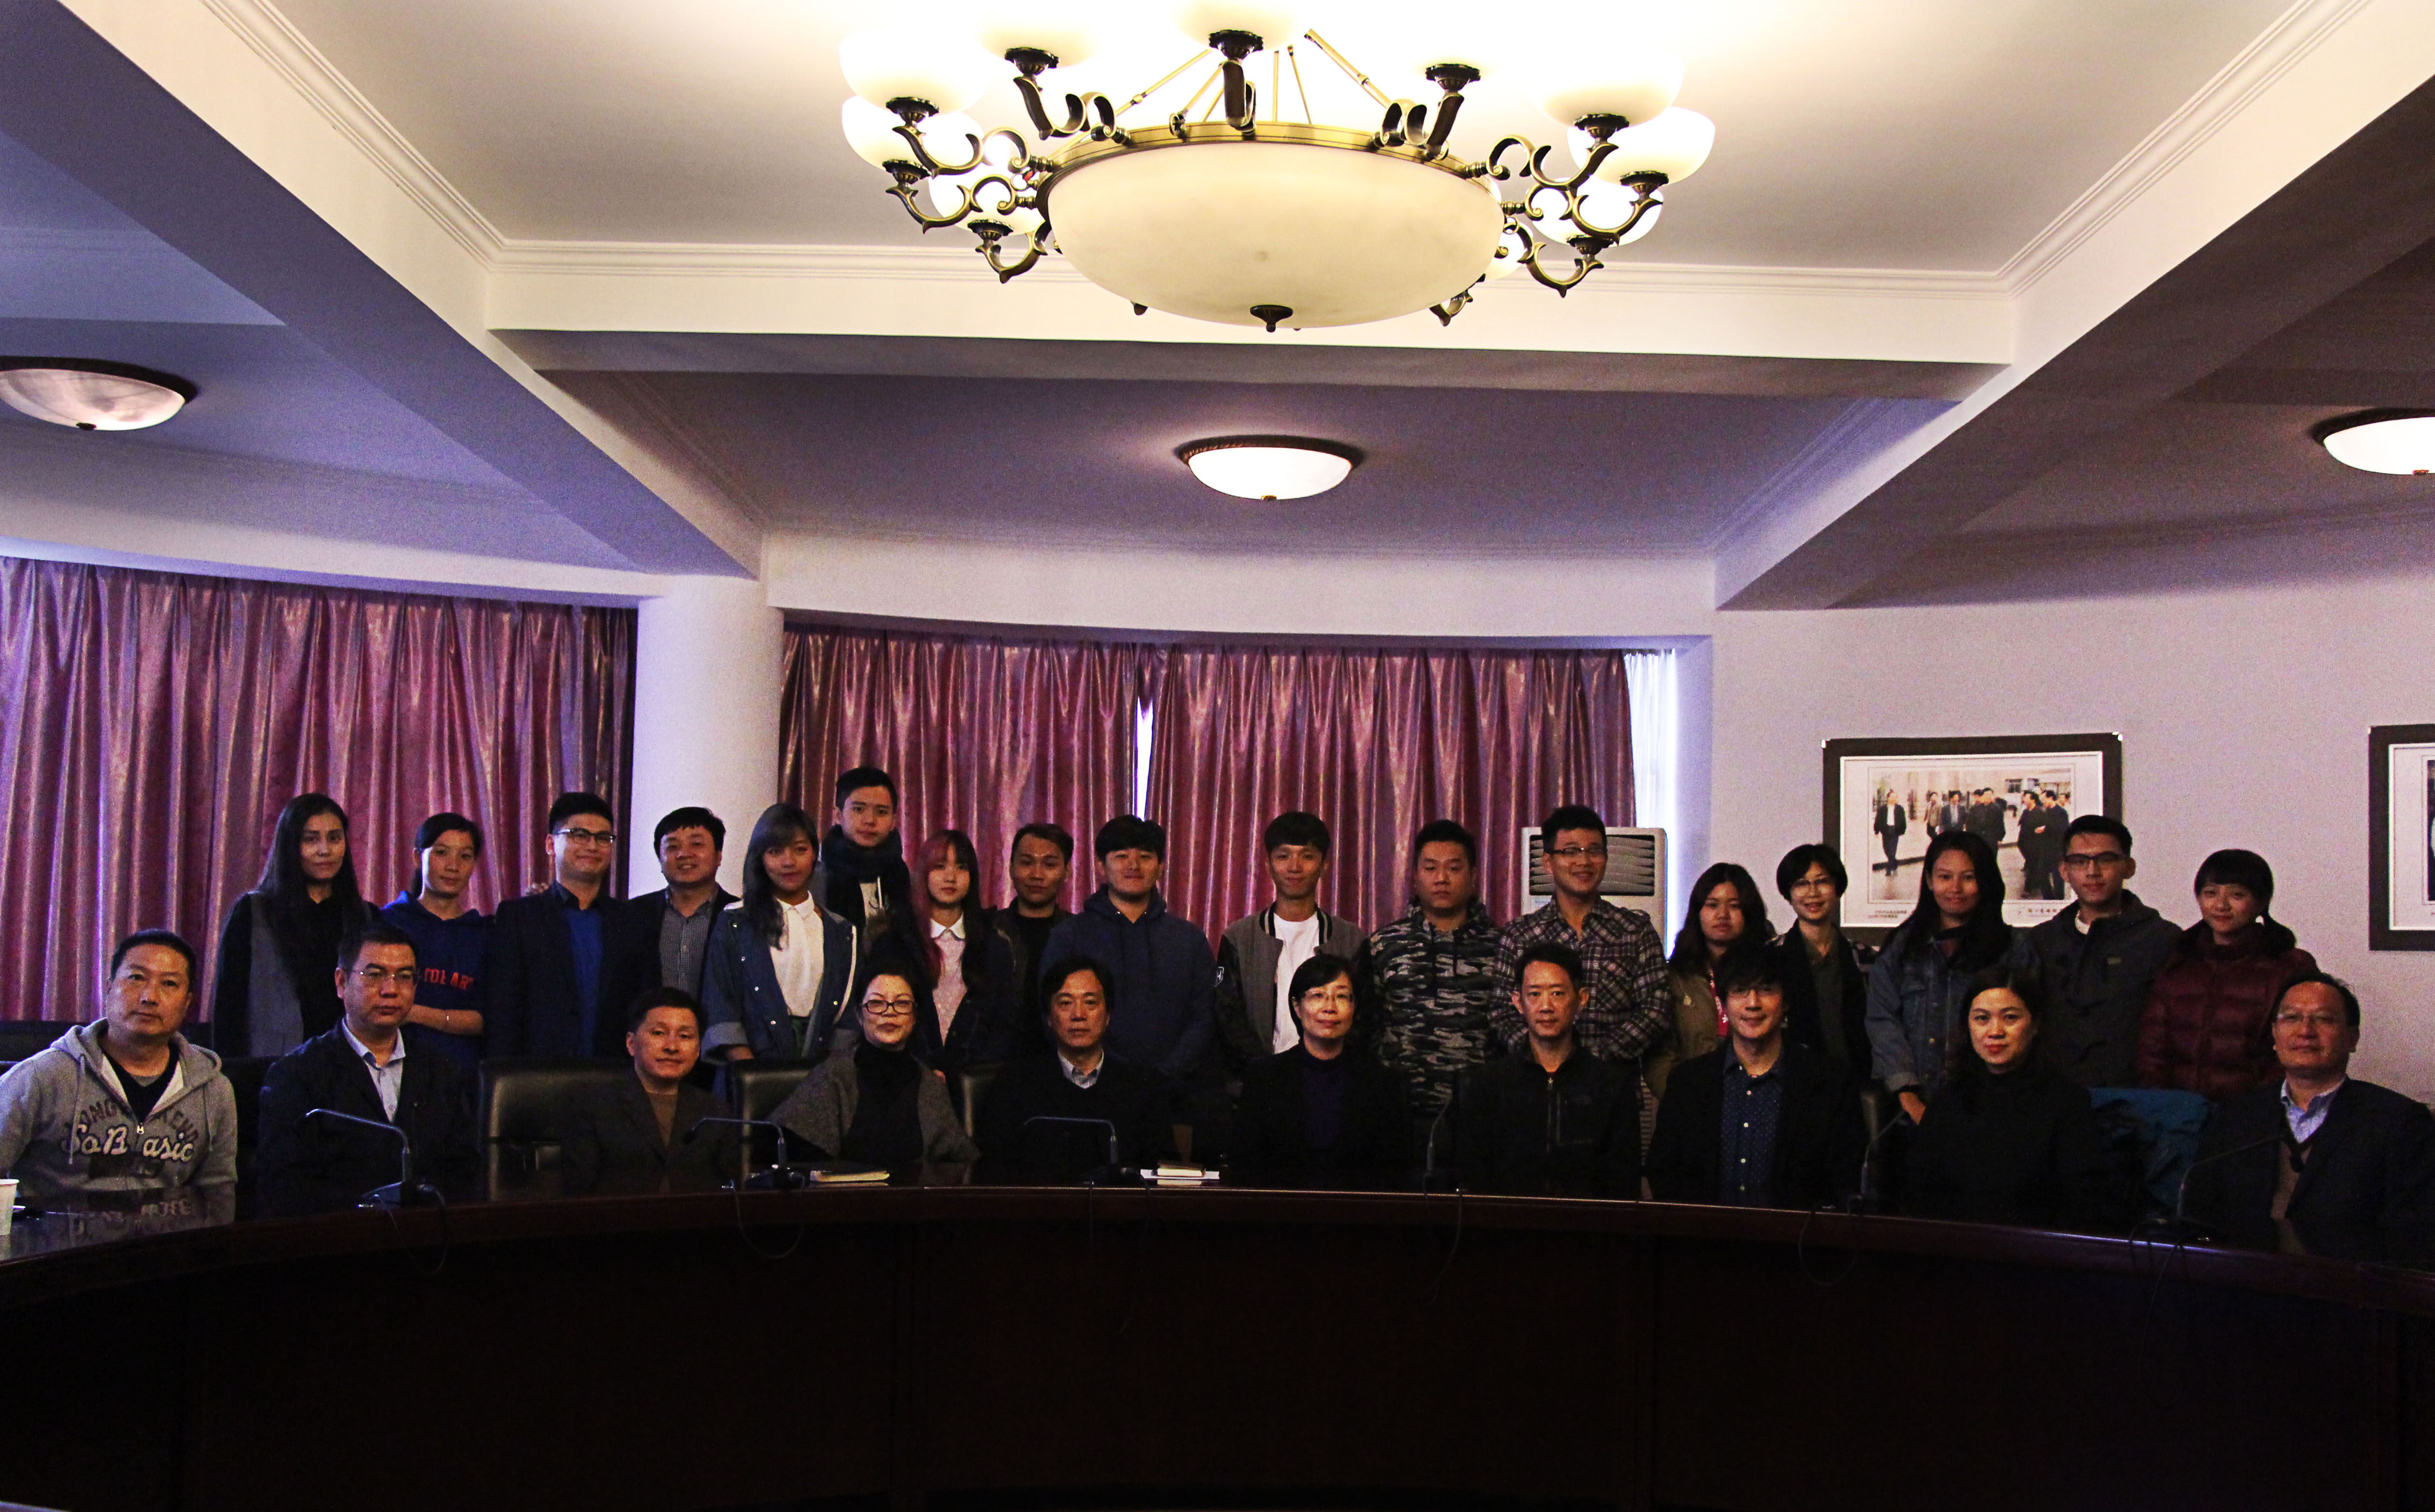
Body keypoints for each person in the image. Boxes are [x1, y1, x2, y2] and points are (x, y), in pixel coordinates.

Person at [2181, 974, 2435, 1242]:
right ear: (2275, 1034)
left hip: (2343, 1268)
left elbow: (2413, 1236)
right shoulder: (2238, 1115)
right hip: (2243, 1266)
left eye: (2324, 1019)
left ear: (2352, 1038)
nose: (2305, 1031)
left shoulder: (2400, 1122)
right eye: (2291, 1018)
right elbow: (2200, 1217)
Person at [0, 930, 237, 1209]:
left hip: (167, 1236)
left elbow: (217, 1199)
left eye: (169, 983)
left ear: (187, 1003)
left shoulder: (214, 1090)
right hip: (53, 1235)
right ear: (110, 988)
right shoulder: (41, 1077)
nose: (150, 996)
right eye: (136, 978)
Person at [256, 921, 480, 1215]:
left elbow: (465, 1173)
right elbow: (283, 1189)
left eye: (404, 977)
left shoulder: (442, 1072)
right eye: (375, 975)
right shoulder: (297, 1075)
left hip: (427, 1233)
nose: (390, 990)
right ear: (341, 983)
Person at [1645, 942, 1866, 1210]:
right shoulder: (1688, 1082)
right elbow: (1664, 1173)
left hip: (1796, 1235)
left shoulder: (1830, 1083)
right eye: (1740, 991)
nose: (1753, 1003)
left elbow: (1844, 1179)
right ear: (1724, 1003)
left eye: (1766, 990)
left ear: (1786, 1002)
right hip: (1705, 1233)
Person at [1491, 806, 1669, 1135]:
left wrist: (1592, 1059)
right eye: (1571, 851)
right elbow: (1502, 1012)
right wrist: (1544, 1058)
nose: (1584, 861)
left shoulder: (1635, 930)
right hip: (1535, 1093)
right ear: (1548, 862)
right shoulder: (1520, 935)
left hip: (1613, 1093)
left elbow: (1656, 1010)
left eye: (1594, 851)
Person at [1903, 967, 2118, 1230]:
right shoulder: (1948, 1100)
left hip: (2036, 1247)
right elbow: (1921, 1196)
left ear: (2035, 1024)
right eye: (1982, 1019)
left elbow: (2084, 1206)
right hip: (1957, 1246)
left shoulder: (2066, 1102)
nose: (1995, 1031)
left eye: (2010, 1018)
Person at [1865, 830, 2034, 1122]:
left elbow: (2026, 1027)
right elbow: (1882, 1020)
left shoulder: (2013, 948)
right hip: (1910, 1111)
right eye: (1945, 877)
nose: (1955, 888)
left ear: (1985, 882)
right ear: (1929, 881)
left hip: (1993, 1110)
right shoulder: (1902, 948)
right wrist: (1909, 1097)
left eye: (1968, 877)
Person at [1041, 815, 1217, 1092]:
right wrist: (1112, 1074)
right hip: (1091, 1087)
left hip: (1176, 1090)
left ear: (1160, 866)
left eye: (1145, 857)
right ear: (1101, 866)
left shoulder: (1189, 939)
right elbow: (1052, 1013)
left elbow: (1204, 1016)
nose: (1134, 865)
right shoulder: (1069, 936)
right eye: (1121, 856)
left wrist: (1165, 1075)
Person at [976, 956, 1183, 1182]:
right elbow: (992, 1170)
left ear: (1108, 1015)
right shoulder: (1015, 1085)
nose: (1079, 1015)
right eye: (1066, 1003)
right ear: (1049, 1017)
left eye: (1090, 1003)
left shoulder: (1143, 1087)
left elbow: (1164, 1172)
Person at [1456, 944, 1639, 1198]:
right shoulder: (1488, 1084)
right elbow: (1474, 1178)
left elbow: (1623, 1184)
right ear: (1518, 1002)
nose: (1546, 1006)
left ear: (1582, 999)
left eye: (1557, 993)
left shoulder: (1612, 1086)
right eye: (1534, 994)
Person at [480, 792, 655, 1059]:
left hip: (614, 1072)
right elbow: (503, 1009)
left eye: (603, 838)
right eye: (579, 835)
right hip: (536, 1073)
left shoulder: (634, 921)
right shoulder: (518, 917)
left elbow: (646, 1006)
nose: (592, 846)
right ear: (551, 844)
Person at [772, 962, 978, 1183]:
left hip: (913, 1202)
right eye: (877, 1003)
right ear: (859, 1016)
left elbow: (961, 1160)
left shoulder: (931, 1085)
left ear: (914, 1016)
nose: (890, 1012)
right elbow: (786, 1150)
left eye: (902, 1003)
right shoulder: (833, 1076)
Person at [2138, 849, 2318, 1101]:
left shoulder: (2288, 967)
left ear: (2262, 901)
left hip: (2255, 1112)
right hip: (2178, 1112)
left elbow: (2295, 1050)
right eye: (2210, 893)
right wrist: (2164, 1107)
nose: (2221, 905)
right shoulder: (2179, 962)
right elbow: (2152, 1050)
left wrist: (2259, 1107)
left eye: (2237, 895)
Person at [1362, 819, 1504, 1137]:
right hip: (1397, 1113)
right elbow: (1365, 1027)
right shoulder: (1384, 945)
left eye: (1454, 868)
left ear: (1473, 876)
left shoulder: (1502, 946)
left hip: (1480, 1113)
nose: (1442, 878)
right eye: (1431, 868)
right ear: (1415, 876)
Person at [1231, 953, 1413, 1190]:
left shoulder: (1384, 1082)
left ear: (1354, 1006)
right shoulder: (1263, 1078)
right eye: (1318, 995)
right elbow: (1245, 1169)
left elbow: (1395, 1175)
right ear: (1297, 1006)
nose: (1330, 1007)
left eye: (1342, 996)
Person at [2023, 816, 2180, 1089]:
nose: (2092, 872)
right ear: (2064, 870)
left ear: (2129, 867)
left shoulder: (2163, 939)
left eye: (2105, 860)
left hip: (2136, 1096)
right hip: (2055, 1095)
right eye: (2079, 861)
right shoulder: (2042, 940)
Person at [212, 792, 372, 1056]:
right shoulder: (253, 913)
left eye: (334, 838)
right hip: (270, 1065)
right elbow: (228, 1009)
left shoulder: (364, 916)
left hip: (347, 1063)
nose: (325, 850)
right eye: (311, 839)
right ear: (290, 845)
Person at [701, 802, 863, 1063]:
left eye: (800, 850)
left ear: (814, 854)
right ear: (760, 858)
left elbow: (848, 1016)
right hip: (748, 1073)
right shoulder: (735, 921)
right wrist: (755, 1075)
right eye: (775, 852)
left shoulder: (842, 931)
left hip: (824, 1074)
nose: (789, 862)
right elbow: (721, 1006)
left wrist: (825, 1077)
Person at [1215, 811, 1367, 1078]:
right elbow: (1227, 1017)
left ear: (1325, 865)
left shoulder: (1351, 939)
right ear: (1268, 864)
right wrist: (1267, 1071)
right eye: (1283, 856)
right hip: (1258, 1080)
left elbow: (1364, 1016)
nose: (1295, 867)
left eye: (1307, 856)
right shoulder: (1239, 937)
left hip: (1332, 1078)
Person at [559, 987, 739, 1196]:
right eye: (659, 1033)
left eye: (685, 1036)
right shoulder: (593, 1108)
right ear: (631, 1044)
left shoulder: (717, 1113)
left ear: (698, 1050)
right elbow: (579, 1193)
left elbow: (730, 1196)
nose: (672, 1047)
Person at [1645, 862, 1769, 1102]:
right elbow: (1659, 1058)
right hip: (1690, 1103)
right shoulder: (1675, 978)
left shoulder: (1769, 974)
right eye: (1712, 905)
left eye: (1735, 906)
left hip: (1758, 1102)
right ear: (1698, 912)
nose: (1723, 915)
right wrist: (1687, 1100)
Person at [379, 812, 489, 1077]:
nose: (453, 866)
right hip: (393, 1068)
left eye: (465, 856)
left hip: (463, 1074)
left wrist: (414, 1013)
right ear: (418, 858)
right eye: (441, 853)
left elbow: (488, 1019)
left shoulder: (486, 933)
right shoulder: (388, 921)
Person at [917, 829, 1018, 1071]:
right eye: (940, 866)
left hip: (976, 1078)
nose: (950, 877)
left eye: (961, 867)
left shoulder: (995, 946)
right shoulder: (901, 941)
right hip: (914, 1077)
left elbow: (1003, 1025)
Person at [1769, 844, 1870, 1084]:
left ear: (1837, 888)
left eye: (1822, 882)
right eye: (1801, 884)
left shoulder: (1864, 958)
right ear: (1788, 893)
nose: (1813, 893)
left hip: (1856, 1082)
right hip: (1789, 1082)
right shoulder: (1770, 958)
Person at [983, 821, 1074, 1060]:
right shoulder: (987, 931)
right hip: (995, 1064)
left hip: (1064, 1061)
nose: (1037, 875)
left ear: (1067, 872)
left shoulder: (1079, 934)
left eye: (1050, 865)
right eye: (1027, 863)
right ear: (1011, 868)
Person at [629, 806, 735, 1000]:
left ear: (719, 856)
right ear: (659, 859)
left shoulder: (740, 915)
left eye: (697, 844)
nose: (684, 854)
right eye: (672, 847)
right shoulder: (633, 914)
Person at [814, 766, 921, 956]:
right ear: (838, 815)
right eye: (859, 809)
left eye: (881, 812)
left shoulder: (903, 877)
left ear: (894, 821)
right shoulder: (816, 875)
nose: (870, 820)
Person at [2015, 791, 2069, 901]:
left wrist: (2045, 828)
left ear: (2051, 798)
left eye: (2044, 799)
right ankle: (2048, 897)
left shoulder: (2061, 812)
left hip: (2057, 849)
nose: (2043, 801)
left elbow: (2063, 829)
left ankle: (2059, 898)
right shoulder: (2046, 811)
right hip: (2045, 848)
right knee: (2042, 873)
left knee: (2057, 876)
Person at [1872, 792, 1907, 873]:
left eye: (1895, 797)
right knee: (1886, 849)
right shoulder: (1882, 809)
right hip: (1886, 830)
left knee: (1893, 850)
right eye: (1892, 797)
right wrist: (1876, 831)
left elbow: (1903, 820)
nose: (1894, 799)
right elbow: (1878, 820)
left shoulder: (1900, 809)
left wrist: (1903, 830)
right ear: (1888, 798)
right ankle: (1895, 863)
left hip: (1895, 830)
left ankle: (1888, 868)